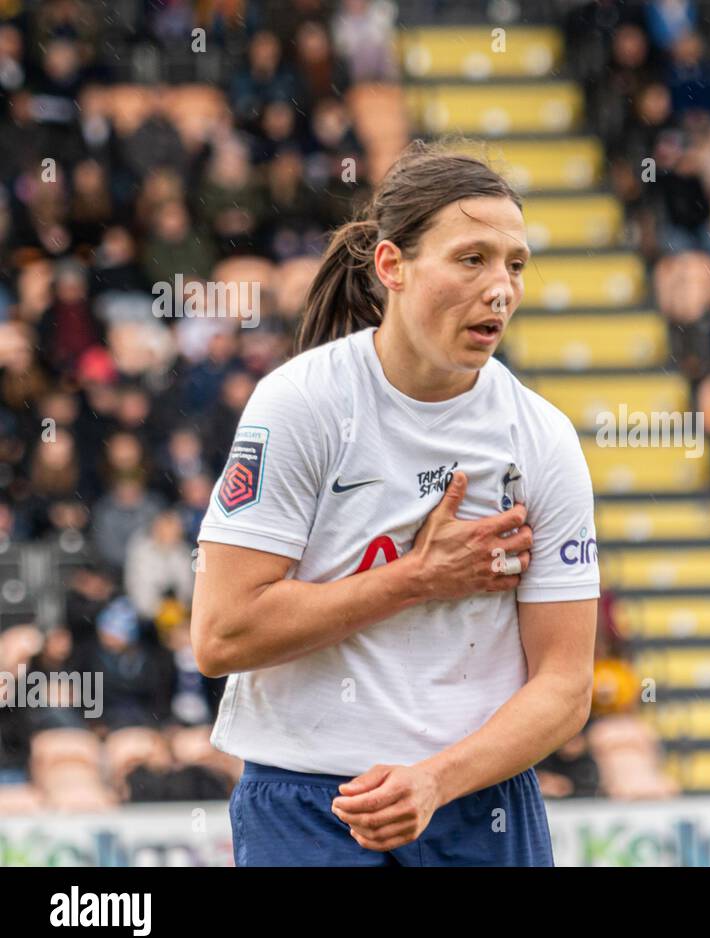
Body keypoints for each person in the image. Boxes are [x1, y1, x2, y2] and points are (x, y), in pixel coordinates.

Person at [192, 142, 600, 866]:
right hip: (308, 805)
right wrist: (418, 579)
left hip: (480, 805)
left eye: (515, 264)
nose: (501, 288)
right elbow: (222, 637)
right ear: (392, 267)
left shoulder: (542, 438)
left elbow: (566, 689)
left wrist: (435, 782)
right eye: (472, 259)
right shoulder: (301, 405)